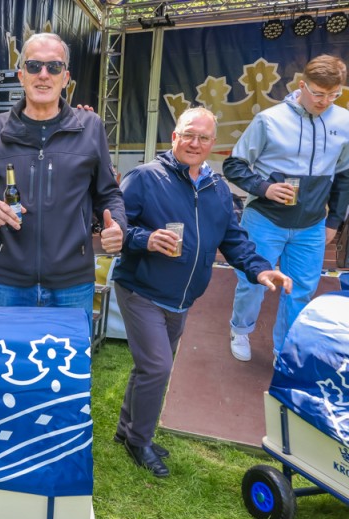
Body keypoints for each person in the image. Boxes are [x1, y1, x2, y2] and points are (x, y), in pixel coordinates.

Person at [112, 108, 292, 477]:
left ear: (213, 144)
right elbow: (116, 231)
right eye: (189, 135)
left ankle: (126, 429)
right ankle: (139, 441)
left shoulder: (218, 189)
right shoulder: (145, 178)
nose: (195, 143)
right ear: (174, 137)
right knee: (158, 366)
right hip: (140, 289)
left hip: (182, 297)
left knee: (150, 366)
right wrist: (146, 239)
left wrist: (259, 270)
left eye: (204, 138)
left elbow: (234, 240)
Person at [0, 32, 126, 321]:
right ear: (21, 75)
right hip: (8, 283)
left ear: (65, 77)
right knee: (7, 365)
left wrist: (117, 224)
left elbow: (108, 194)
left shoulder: (90, 126)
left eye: (53, 67)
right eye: (34, 66)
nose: (43, 75)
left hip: (72, 283)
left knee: (66, 366)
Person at [225, 55, 349, 362]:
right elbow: (234, 165)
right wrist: (264, 187)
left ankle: (286, 349)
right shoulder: (269, 119)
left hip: (311, 224)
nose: (325, 102)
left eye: (334, 95)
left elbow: (345, 175)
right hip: (265, 219)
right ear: (302, 85)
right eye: (319, 94)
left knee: (302, 291)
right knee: (253, 282)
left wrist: (333, 220)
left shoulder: (344, 122)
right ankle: (240, 329)